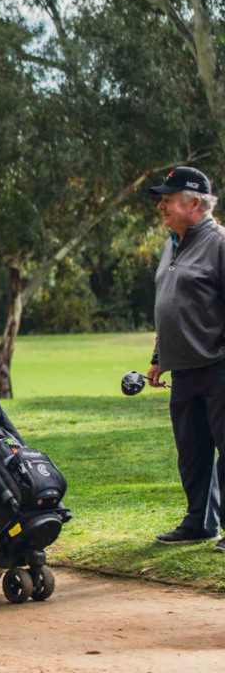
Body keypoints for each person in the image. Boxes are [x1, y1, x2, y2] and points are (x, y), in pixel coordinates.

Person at [147, 166, 225, 550]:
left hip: (219, 367)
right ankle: (200, 523)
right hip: (184, 369)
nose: (160, 207)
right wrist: (158, 356)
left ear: (194, 203)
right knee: (193, 453)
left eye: (168, 200)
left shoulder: (220, 243)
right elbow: (170, 305)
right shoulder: (172, 244)